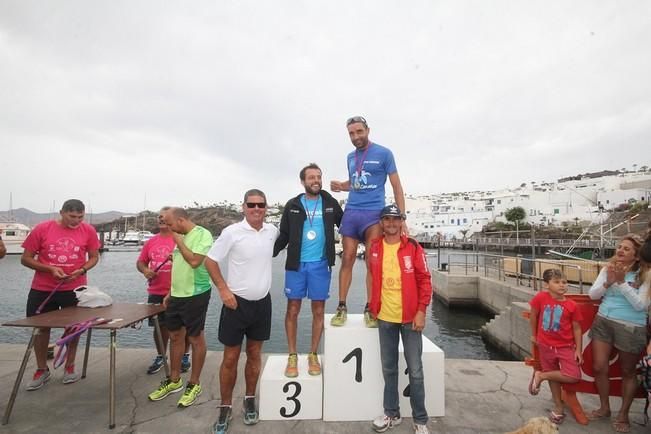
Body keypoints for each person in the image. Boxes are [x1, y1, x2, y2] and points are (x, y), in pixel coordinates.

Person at [205, 189, 279, 433]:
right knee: (230, 358)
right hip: (236, 304)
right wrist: (223, 290)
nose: (256, 209)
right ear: (244, 207)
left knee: (255, 355)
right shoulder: (232, 232)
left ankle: (249, 400)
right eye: (252, 204)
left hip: (262, 304)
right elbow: (210, 261)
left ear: (266, 207)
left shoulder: (272, 232)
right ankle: (225, 407)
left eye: (261, 205)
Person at [330, 116, 407, 328]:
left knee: (373, 263)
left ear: (368, 130)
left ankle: (370, 308)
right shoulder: (350, 157)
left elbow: (397, 187)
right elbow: (356, 182)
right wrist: (340, 186)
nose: (356, 137)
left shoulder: (384, 153)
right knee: (347, 258)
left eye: (359, 132)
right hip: (352, 213)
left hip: (374, 215)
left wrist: (402, 218)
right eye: (351, 134)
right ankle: (342, 307)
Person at [20, 199, 100, 390]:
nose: (76, 221)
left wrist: (81, 270)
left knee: (73, 328)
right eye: (72, 216)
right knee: (40, 329)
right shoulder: (42, 229)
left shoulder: (88, 230)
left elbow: (94, 257)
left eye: (80, 217)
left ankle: (70, 365)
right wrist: (49, 269)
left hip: (75, 289)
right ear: (61, 212)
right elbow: (26, 259)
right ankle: (41, 369)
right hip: (42, 288)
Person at [273, 163, 343, 377]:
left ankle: (313, 354)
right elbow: (283, 235)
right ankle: (292, 356)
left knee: (319, 310)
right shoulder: (293, 205)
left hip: (321, 265)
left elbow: (346, 225)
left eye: (319, 177)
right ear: (303, 181)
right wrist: (268, 253)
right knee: (292, 309)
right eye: (311, 177)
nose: (316, 180)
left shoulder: (329, 202)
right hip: (296, 265)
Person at [368, 204, 432, 434]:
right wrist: (372, 307)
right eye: (387, 219)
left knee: (415, 370)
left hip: (410, 319)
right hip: (385, 317)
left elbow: (425, 280)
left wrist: (422, 310)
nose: (392, 223)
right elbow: (374, 279)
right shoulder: (374, 248)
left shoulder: (413, 247)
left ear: (401, 222)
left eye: (396, 219)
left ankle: (420, 420)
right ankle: (391, 413)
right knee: (389, 369)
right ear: (381, 223)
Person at [147, 207, 213, 408]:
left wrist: (178, 241)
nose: (167, 227)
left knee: (195, 338)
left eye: (169, 223)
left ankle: (194, 384)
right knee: (175, 336)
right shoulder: (181, 237)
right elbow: (180, 267)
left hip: (196, 294)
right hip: (176, 295)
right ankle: (174, 380)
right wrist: (170, 292)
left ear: (181, 220)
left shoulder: (202, 234)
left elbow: (194, 261)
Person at [587, 234, 650, 433]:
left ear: (637, 256)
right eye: (619, 247)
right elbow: (593, 294)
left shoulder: (646, 274)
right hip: (603, 320)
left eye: (626, 249)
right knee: (599, 367)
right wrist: (608, 282)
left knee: (627, 372)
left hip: (630, 326)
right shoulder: (608, 269)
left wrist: (622, 283)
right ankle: (604, 408)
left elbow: (641, 306)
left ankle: (623, 415)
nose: (620, 251)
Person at [136, 207, 191, 375]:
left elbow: (195, 262)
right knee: (160, 327)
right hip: (156, 290)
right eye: (159, 216)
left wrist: (180, 257)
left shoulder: (183, 239)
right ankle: (161, 355)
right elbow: (141, 262)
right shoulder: (151, 242)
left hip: (180, 291)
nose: (161, 219)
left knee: (184, 326)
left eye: (165, 217)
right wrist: (145, 271)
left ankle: (184, 356)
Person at [528, 269, 583, 424]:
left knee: (573, 375)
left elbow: (577, 328)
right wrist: (534, 335)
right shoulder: (540, 298)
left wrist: (578, 349)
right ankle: (558, 406)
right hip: (545, 345)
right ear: (547, 285)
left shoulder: (572, 305)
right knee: (554, 376)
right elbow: (533, 316)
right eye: (557, 282)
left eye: (564, 282)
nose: (562, 285)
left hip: (565, 346)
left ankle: (541, 376)